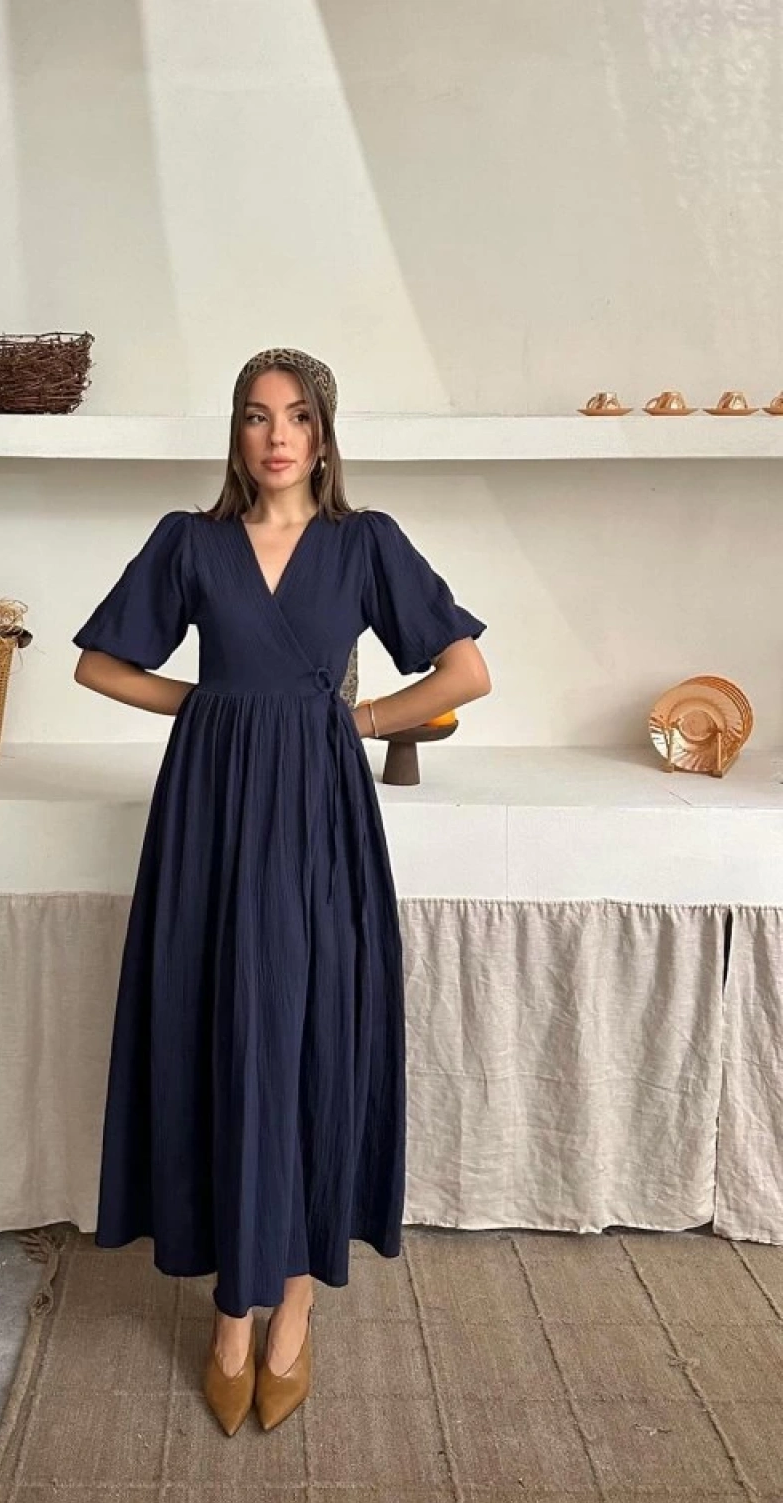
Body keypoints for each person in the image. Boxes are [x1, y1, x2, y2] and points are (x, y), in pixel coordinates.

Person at [72, 347, 490, 1435]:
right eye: (257, 416)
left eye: (298, 416)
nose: (277, 436)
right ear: (237, 431)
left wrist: (354, 722)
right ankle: (230, 1308)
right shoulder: (189, 541)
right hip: (209, 808)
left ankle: (294, 1298)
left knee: (308, 1031)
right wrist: (215, 706)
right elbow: (98, 666)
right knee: (216, 1024)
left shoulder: (366, 542)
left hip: (319, 813)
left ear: (324, 431)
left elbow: (464, 672)